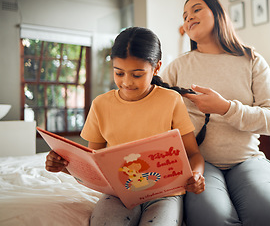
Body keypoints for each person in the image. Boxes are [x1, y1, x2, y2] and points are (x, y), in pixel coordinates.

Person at [45, 26, 205, 226]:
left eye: (137, 75)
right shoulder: (101, 105)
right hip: (118, 192)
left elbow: (193, 154)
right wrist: (63, 166)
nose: (126, 82)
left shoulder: (171, 100)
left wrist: (196, 175)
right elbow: (93, 164)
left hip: (165, 193)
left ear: (156, 68)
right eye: (119, 73)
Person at [160, 0, 270, 226]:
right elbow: (153, 110)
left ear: (218, 14)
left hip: (247, 160)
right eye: (185, 16)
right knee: (212, 217)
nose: (189, 17)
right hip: (200, 163)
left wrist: (227, 108)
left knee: (267, 213)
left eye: (196, 10)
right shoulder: (177, 67)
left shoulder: (252, 60)